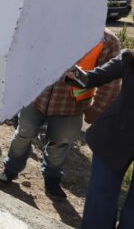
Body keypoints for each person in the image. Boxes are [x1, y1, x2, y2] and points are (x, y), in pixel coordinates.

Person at [0, 30, 121, 200]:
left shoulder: (106, 40)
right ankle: (10, 169)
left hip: (70, 106)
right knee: (23, 134)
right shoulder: (50, 24)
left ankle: (52, 178)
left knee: (60, 144)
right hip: (35, 97)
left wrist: (97, 109)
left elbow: (111, 82)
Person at [66, 50, 134, 228]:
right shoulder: (129, 59)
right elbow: (92, 78)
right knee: (100, 199)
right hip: (114, 137)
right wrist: (71, 70)